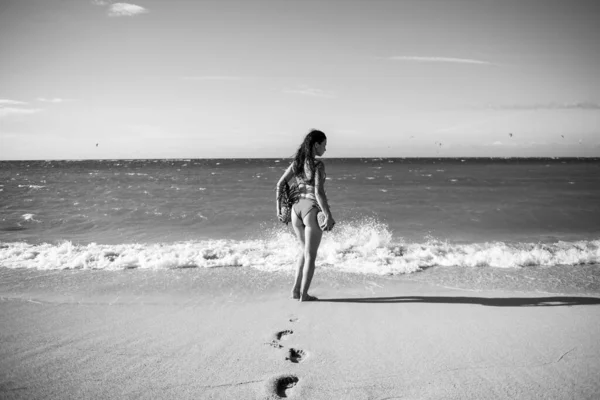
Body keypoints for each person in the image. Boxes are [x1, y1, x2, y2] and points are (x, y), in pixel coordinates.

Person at [276, 129, 335, 302]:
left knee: (303, 251)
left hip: (296, 210)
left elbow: (280, 184)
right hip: (310, 210)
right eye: (324, 145)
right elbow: (319, 193)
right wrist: (328, 215)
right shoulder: (318, 165)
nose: (325, 149)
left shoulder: (297, 163)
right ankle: (304, 295)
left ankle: (295, 290)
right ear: (316, 144)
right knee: (311, 255)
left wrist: (278, 210)